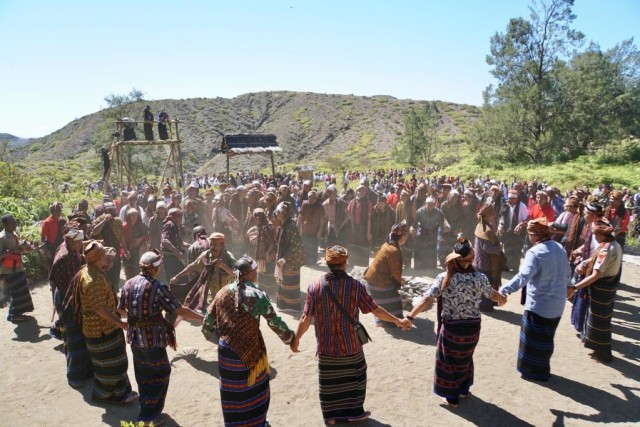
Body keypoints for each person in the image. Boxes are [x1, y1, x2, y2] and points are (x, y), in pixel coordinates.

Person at [291, 246, 410, 426]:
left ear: (327, 263)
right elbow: (375, 309)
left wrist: (297, 338)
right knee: (356, 377)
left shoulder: (315, 287)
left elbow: (305, 318)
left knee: (329, 381)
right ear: (346, 263)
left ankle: (330, 416)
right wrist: (397, 321)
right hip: (351, 345)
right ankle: (354, 413)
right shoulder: (355, 286)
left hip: (326, 347)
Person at [407, 239, 503, 407]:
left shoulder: (444, 277)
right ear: (471, 258)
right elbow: (493, 295)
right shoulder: (479, 277)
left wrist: (410, 316)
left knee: (448, 362)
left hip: (451, 329)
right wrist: (503, 298)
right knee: (465, 358)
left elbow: (427, 299)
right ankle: (464, 389)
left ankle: (451, 397)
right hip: (472, 329)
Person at [202, 255, 295, 427]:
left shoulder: (221, 293)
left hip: (226, 352)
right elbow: (275, 322)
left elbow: (207, 324)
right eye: (255, 271)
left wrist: (221, 338)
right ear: (251, 273)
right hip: (251, 350)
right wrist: (291, 339)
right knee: (256, 388)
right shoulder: (258, 295)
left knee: (231, 391)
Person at [119, 250, 204, 425]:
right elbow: (179, 310)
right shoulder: (158, 287)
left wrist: (136, 318)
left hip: (135, 339)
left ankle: (146, 409)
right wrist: (203, 318)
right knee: (160, 373)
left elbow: (120, 310)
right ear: (155, 269)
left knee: (143, 375)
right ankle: (149, 415)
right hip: (153, 340)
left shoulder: (128, 283)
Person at [498, 218, 571, 382]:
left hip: (539, 305)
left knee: (533, 341)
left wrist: (504, 290)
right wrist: (570, 286)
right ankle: (543, 368)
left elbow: (523, 276)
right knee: (546, 339)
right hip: (557, 305)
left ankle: (533, 372)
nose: (529, 237)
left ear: (535, 235)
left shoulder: (535, 252)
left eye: (530, 234)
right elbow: (567, 273)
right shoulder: (559, 248)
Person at [68, 240, 138, 404]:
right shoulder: (93, 281)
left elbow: (106, 302)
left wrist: (122, 311)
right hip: (101, 330)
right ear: (97, 258)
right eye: (104, 255)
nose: (107, 257)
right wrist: (120, 323)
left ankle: (118, 392)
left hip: (101, 329)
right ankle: (109, 396)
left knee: (110, 364)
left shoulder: (92, 271)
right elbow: (100, 309)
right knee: (113, 365)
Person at [569, 218, 622, 363]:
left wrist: (575, 287)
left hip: (601, 290)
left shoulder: (606, 249)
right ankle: (597, 350)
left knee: (599, 322)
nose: (593, 236)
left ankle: (602, 354)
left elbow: (596, 274)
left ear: (601, 235)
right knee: (601, 320)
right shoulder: (614, 244)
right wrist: (585, 262)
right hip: (607, 290)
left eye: (595, 234)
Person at [170, 232, 235, 313]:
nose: (212, 247)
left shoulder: (228, 257)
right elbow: (193, 266)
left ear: (222, 245)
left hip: (226, 296)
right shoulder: (206, 255)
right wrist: (177, 276)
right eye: (211, 244)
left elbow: (236, 274)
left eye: (215, 244)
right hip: (210, 297)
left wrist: (223, 266)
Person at [363, 222, 408, 327]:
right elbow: (396, 272)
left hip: (371, 281)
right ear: (402, 237)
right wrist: (400, 281)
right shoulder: (394, 251)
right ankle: (389, 322)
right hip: (378, 284)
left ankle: (380, 320)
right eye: (405, 235)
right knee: (396, 301)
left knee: (383, 301)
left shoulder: (386, 245)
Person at [0, 215, 35, 322]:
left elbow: (18, 249)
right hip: (8, 270)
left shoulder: (14, 234)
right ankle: (15, 316)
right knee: (18, 292)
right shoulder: (2, 237)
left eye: (15, 222)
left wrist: (27, 247)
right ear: (5, 225)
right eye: (12, 223)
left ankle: (12, 314)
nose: (15, 224)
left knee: (21, 290)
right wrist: (8, 252)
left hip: (18, 267)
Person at [274, 201, 305, 310]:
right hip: (285, 259)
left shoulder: (291, 226)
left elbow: (295, 246)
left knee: (290, 283)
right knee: (283, 282)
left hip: (291, 260)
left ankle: (291, 305)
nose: (276, 214)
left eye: (278, 212)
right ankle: (284, 305)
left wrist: (284, 259)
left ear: (284, 213)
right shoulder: (283, 224)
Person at [473, 204, 504, 312]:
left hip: (479, 261)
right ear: (486, 216)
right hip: (485, 263)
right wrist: (499, 248)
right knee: (486, 285)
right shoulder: (485, 230)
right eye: (492, 215)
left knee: (482, 284)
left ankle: (486, 304)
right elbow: (486, 247)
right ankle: (485, 306)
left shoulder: (481, 226)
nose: (494, 217)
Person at [412, 197, 445, 270]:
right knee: (419, 250)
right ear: (425, 204)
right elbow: (414, 224)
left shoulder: (438, 212)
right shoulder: (419, 211)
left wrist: (442, 235)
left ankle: (431, 267)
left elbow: (441, 224)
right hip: (422, 232)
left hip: (433, 232)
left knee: (431, 251)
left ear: (434, 205)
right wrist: (413, 229)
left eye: (431, 204)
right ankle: (418, 266)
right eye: (428, 204)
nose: (429, 206)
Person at [122, 209, 149, 280]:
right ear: (128, 216)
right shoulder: (125, 226)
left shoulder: (141, 225)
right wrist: (125, 251)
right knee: (129, 271)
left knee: (137, 270)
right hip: (127, 250)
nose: (134, 217)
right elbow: (122, 239)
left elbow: (147, 235)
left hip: (138, 251)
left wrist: (140, 239)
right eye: (132, 215)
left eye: (136, 214)